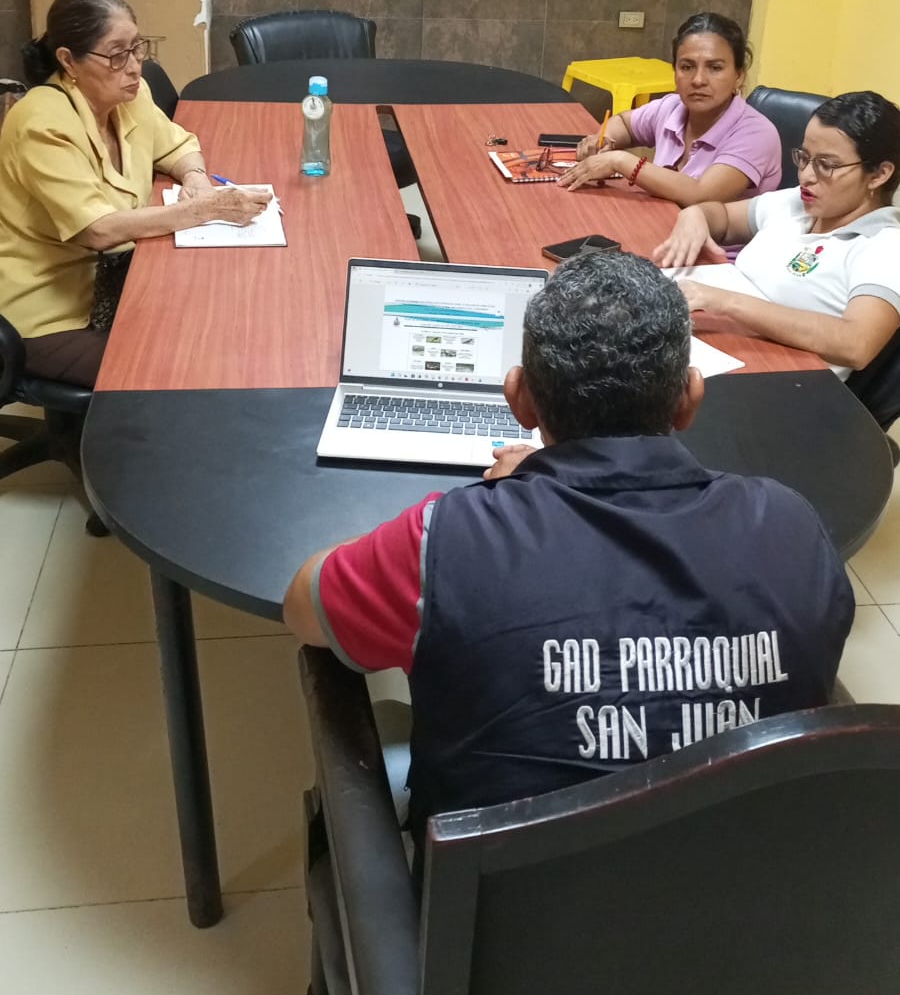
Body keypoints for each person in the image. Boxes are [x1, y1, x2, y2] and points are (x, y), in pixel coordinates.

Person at [284, 251, 853, 850]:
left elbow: (304, 605)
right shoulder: (792, 528)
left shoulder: (447, 539)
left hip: (498, 904)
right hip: (757, 889)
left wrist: (513, 497)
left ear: (519, 399)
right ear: (689, 396)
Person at [0, 0, 270, 386]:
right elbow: (98, 229)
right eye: (116, 55)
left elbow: (177, 146)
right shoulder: (42, 124)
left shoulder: (129, 95)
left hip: (124, 276)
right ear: (68, 60)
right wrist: (203, 210)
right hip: (55, 314)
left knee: (229, 315)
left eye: (137, 48)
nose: (133, 67)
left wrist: (196, 179)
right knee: (186, 367)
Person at [654, 90, 900, 380]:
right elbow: (722, 218)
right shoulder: (798, 202)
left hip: (784, 382)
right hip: (730, 350)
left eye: (827, 165)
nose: (806, 176)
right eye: (804, 158)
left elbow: (856, 344)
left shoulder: (884, 246)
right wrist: (694, 216)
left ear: (879, 174)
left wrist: (725, 302)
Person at [560, 13, 782, 216]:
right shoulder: (671, 108)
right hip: (659, 226)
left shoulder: (757, 133)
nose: (698, 80)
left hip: (715, 246)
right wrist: (603, 141)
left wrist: (620, 161)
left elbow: (701, 195)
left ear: (739, 76)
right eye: (687, 67)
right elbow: (624, 124)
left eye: (715, 68)